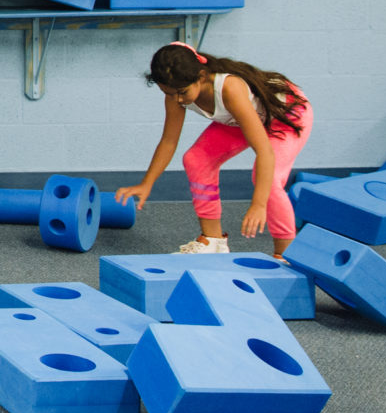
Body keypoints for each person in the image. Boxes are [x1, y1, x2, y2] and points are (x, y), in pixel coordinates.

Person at [115, 42, 312, 258]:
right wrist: (147, 183)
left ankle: (286, 254)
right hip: (241, 119)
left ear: (201, 77)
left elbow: (264, 151)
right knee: (196, 159)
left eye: (181, 93)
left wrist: (258, 203)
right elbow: (169, 141)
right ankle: (213, 241)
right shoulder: (175, 94)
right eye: (168, 93)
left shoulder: (229, 88)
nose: (177, 99)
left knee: (268, 178)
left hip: (287, 115)